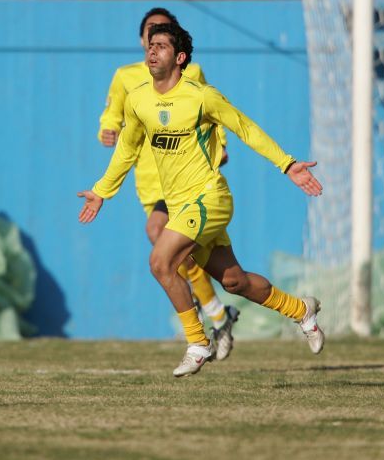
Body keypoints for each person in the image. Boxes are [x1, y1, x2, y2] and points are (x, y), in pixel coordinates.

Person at [79, 23, 325, 376]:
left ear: (180, 58)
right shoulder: (138, 99)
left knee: (160, 262)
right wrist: (102, 190)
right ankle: (302, 310)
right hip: (180, 206)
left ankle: (198, 342)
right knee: (234, 282)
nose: (152, 50)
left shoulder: (201, 96)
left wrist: (286, 164)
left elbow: (245, 127)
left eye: (161, 46)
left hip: (210, 198)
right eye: (150, 45)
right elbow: (127, 149)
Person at [98, 8, 239, 361]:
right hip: (151, 180)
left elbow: (212, 111)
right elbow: (113, 114)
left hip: (189, 178)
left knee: (158, 234)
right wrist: (107, 128)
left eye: (164, 32)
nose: (155, 39)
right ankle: (218, 314)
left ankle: (206, 321)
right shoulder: (126, 77)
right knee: (186, 256)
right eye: (151, 32)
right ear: (141, 39)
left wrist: (221, 145)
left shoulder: (191, 74)